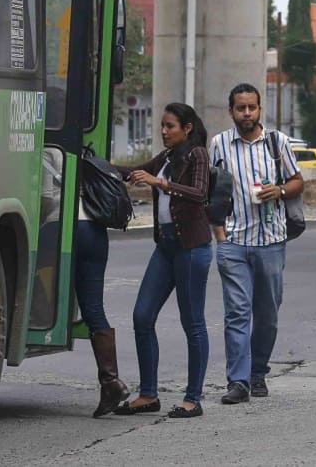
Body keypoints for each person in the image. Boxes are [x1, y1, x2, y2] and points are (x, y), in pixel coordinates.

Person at [114, 103, 213, 418]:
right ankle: (148, 395)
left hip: (192, 249)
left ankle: (193, 398)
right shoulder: (167, 158)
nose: (164, 131)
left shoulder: (196, 154)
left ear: (186, 128)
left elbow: (199, 193)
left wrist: (160, 183)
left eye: (170, 126)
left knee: (192, 323)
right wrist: (98, 166)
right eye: (162, 126)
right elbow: (134, 172)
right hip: (166, 247)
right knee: (142, 316)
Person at [208, 84, 303, 404]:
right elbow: (211, 192)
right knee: (237, 313)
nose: (246, 113)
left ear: (260, 109)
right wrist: (219, 236)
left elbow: (297, 180)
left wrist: (280, 190)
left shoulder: (278, 143)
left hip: (272, 242)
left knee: (267, 314)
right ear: (231, 110)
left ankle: (258, 371)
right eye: (240, 108)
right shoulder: (219, 144)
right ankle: (238, 381)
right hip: (233, 242)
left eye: (251, 107)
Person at [75, 207, 129, 417]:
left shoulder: (54, 171)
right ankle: (111, 382)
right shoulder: (93, 171)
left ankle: (112, 383)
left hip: (67, 228)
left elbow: (45, 197)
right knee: (93, 308)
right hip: (96, 231)